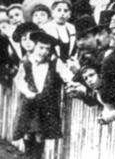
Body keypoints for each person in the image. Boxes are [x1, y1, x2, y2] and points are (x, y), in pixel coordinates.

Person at [12, 30, 74, 159]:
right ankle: (28, 156)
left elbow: (68, 76)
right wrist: (27, 92)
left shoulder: (55, 62)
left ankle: (37, 156)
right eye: (41, 47)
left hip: (46, 105)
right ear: (34, 45)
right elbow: (19, 80)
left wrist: (73, 81)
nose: (44, 51)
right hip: (30, 103)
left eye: (47, 49)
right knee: (28, 133)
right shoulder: (26, 62)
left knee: (40, 135)